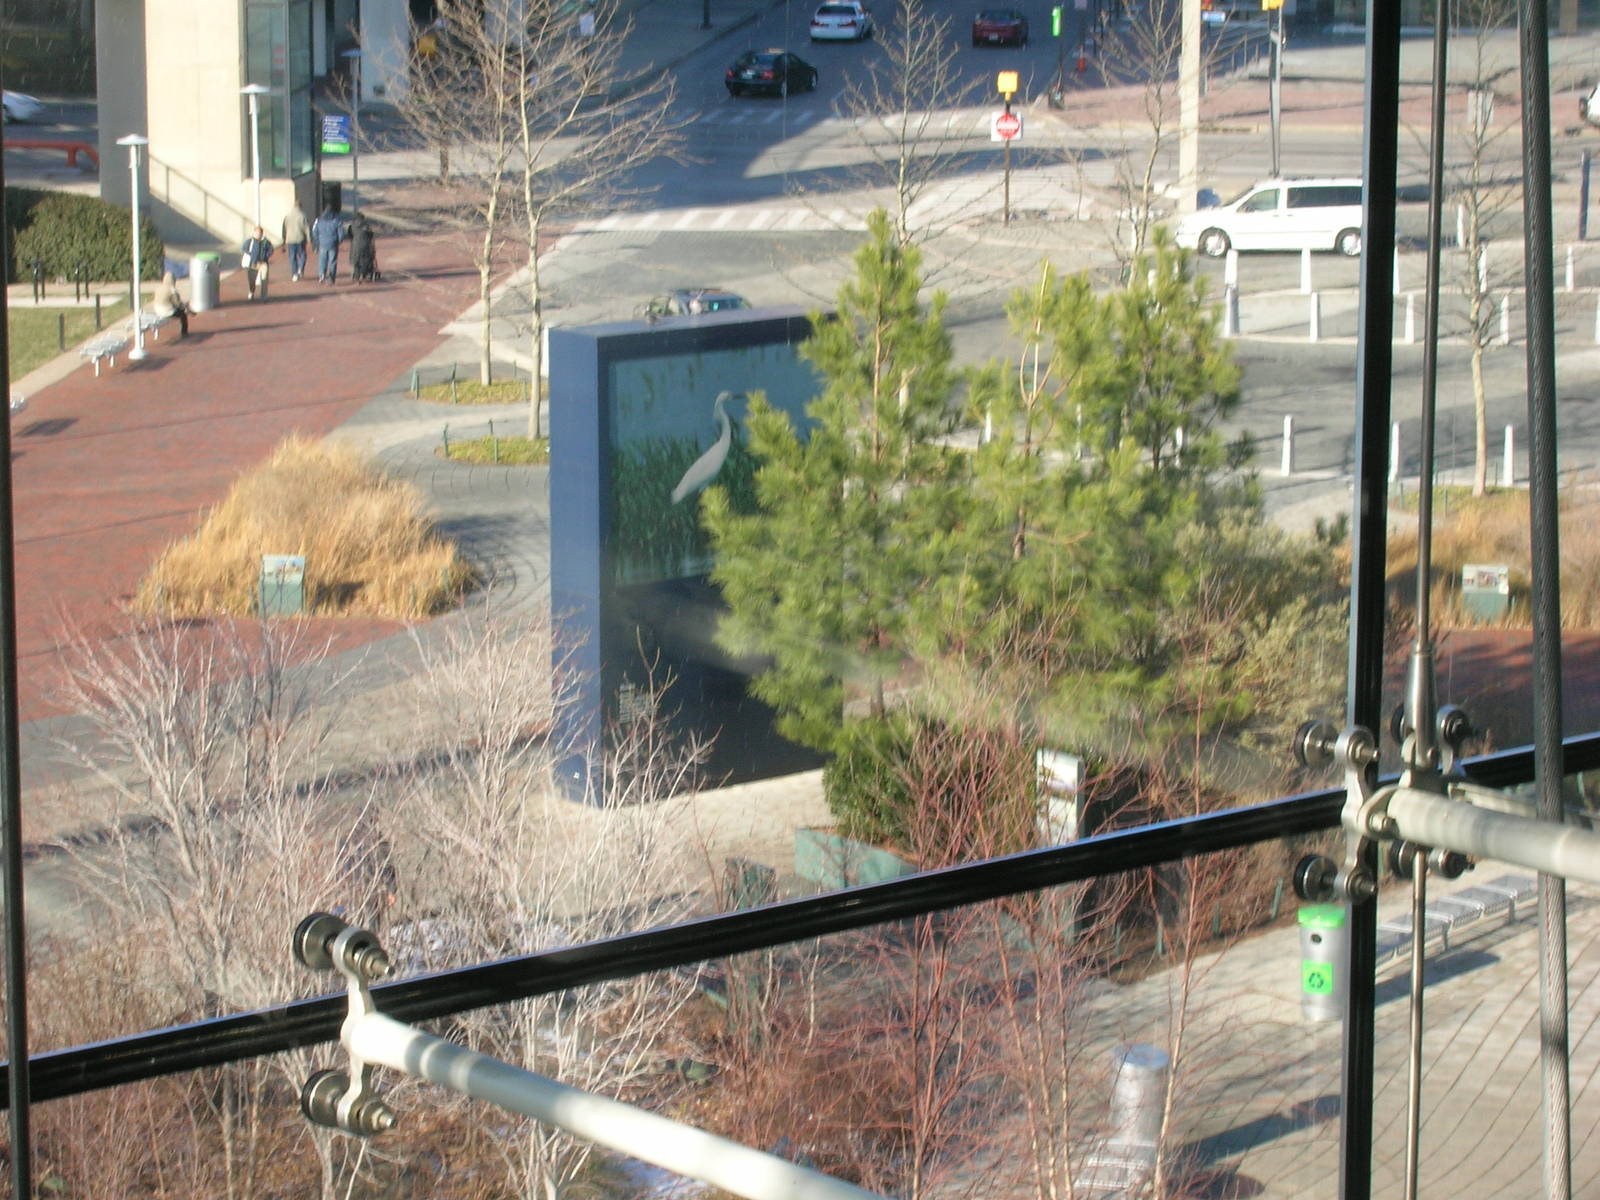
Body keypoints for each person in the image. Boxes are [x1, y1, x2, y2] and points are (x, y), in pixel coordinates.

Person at [311, 206, 346, 285]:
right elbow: (341, 233)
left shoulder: (319, 220)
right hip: (333, 243)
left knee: (322, 260)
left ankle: (322, 275)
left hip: (322, 243)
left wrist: (317, 241)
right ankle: (331, 277)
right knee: (332, 261)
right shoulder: (336, 221)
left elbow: (314, 232)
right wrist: (339, 241)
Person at [153, 269, 189, 338]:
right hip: (166, 311)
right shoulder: (172, 289)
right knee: (183, 314)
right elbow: (177, 303)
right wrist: (185, 308)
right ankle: (184, 332)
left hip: (157, 310)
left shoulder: (158, 288)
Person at [241, 226, 273, 301]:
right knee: (252, 280)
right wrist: (250, 254)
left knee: (264, 279)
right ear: (254, 233)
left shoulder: (266, 242)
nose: (258, 235)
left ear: (262, 234)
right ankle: (251, 292)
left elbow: (271, 250)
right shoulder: (250, 241)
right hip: (253, 263)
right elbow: (243, 248)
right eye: (256, 233)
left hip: (263, 263)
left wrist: (266, 256)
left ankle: (264, 296)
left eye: (259, 233)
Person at [281, 202, 309, 282]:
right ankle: (301, 268)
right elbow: (306, 228)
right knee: (303, 254)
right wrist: (309, 239)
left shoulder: (287, 216)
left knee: (292, 257)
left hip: (290, 239)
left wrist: (284, 239)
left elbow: (284, 228)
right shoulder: (302, 215)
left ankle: (294, 274)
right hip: (300, 238)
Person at [350, 212, 379, 284]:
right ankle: (363, 274)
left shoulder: (352, 226)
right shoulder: (367, 226)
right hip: (366, 245)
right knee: (365, 260)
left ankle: (357, 276)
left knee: (356, 261)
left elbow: (350, 235)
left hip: (355, 245)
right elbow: (371, 235)